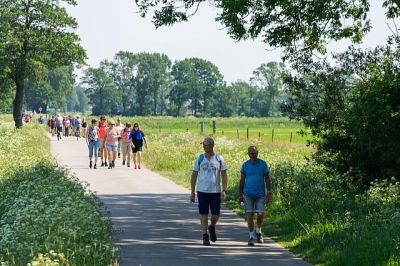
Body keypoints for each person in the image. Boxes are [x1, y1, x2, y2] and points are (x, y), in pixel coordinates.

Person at [190, 137, 228, 246]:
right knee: (204, 213)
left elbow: (224, 174)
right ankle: (205, 235)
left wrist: (224, 190)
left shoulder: (219, 158)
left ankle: (212, 226)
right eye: (203, 145)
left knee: (216, 213)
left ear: (212, 146)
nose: (204, 147)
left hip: (215, 191)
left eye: (206, 145)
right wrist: (192, 192)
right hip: (202, 191)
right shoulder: (200, 158)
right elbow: (194, 175)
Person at [238, 146, 272, 246]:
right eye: (251, 153)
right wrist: (240, 195)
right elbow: (242, 181)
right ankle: (251, 236)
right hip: (248, 194)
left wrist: (269, 192)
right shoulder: (245, 165)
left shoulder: (263, 164)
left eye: (254, 153)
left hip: (260, 194)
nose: (253, 155)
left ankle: (258, 231)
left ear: (257, 152)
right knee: (249, 215)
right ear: (248, 154)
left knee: (260, 214)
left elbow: (267, 179)